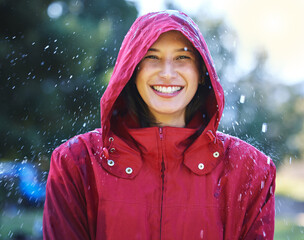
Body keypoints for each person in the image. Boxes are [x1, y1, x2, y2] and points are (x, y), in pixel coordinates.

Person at [43, 10, 276, 240]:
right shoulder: (76, 162)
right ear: (132, 70)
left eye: (182, 58)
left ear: (202, 72)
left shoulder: (250, 170)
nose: (167, 73)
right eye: (152, 57)